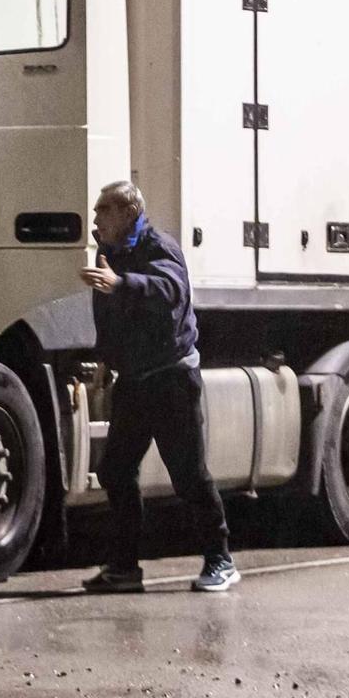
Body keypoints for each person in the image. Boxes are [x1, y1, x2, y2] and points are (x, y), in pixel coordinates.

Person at [79, 181, 240, 594]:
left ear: (129, 212)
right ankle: (124, 567)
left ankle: (220, 560)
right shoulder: (109, 252)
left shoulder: (158, 246)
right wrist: (104, 358)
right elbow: (110, 314)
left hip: (171, 378)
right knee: (115, 469)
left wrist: (121, 283)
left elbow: (170, 290)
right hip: (134, 380)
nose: (96, 218)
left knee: (188, 475)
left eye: (104, 210)